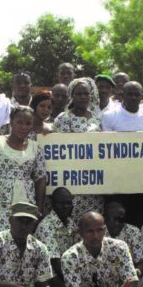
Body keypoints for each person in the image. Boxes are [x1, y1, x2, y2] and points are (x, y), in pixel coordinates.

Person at [0, 105, 46, 234]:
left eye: (28, 123)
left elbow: (40, 179)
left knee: (22, 239)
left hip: (26, 204)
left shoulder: (36, 148)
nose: (23, 127)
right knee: (0, 240)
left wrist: (39, 207)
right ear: (11, 121)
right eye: (19, 122)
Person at [54, 78, 103, 220]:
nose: (83, 97)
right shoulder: (63, 118)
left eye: (86, 93)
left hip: (94, 181)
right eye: (78, 94)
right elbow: (59, 149)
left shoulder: (97, 118)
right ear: (72, 96)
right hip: (72, 180)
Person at [35, 187, 77, 287]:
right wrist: (73, 281)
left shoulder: (70, 223)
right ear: (53, 205)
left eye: (69, 203)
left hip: (67, 272)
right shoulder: (46, 226)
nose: (66, 206)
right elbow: (55, 262)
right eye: (61, 204)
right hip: (50, 277)